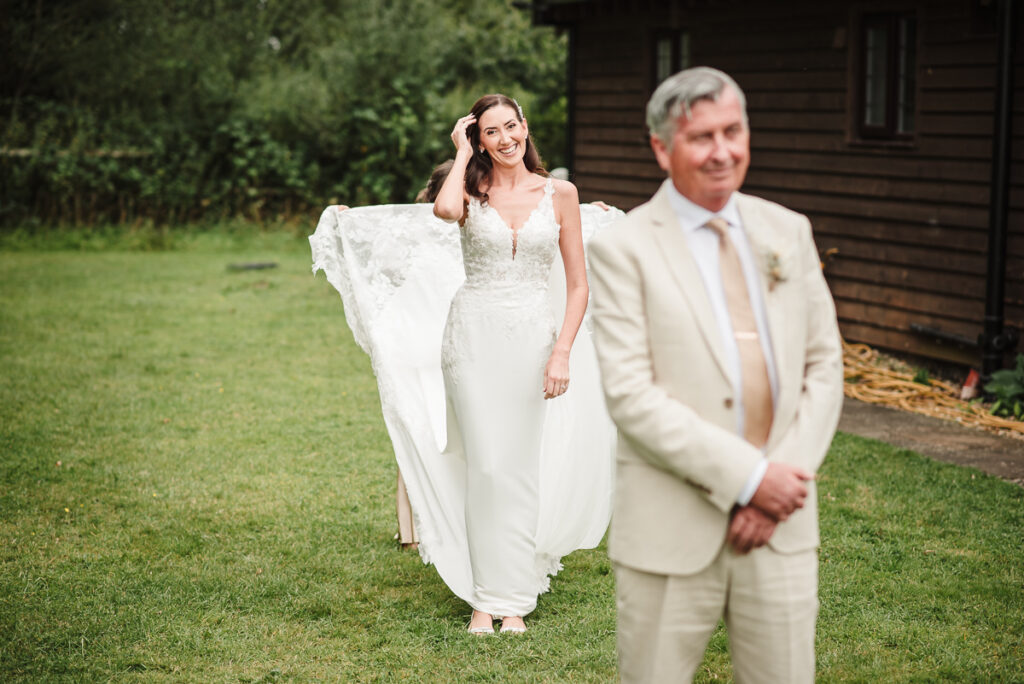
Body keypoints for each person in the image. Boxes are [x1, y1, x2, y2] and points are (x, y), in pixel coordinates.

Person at [309, 94, 619, 637]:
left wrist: (562, 351)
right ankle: (484, 601)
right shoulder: (470, 191)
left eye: (511, 126)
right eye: (490, 132)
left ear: (526, 127)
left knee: (518, 469)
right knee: (487, 466)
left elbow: (577, 285)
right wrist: (458, 150)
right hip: (471, 339)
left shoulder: (561, 194)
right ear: (479, 140)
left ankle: (514, 601)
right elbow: (444, 212)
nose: (504, 139)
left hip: (533, 340)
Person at [587, 67, 844, 682]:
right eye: (702, 137)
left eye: (734, 131)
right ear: (661, 148)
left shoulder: (788, 230)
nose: (723, 151)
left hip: (782, 526)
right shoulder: (622, 248)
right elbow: (630, 395)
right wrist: (749, 480)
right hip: (671, 529)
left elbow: (824, 366)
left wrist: (780, 485)